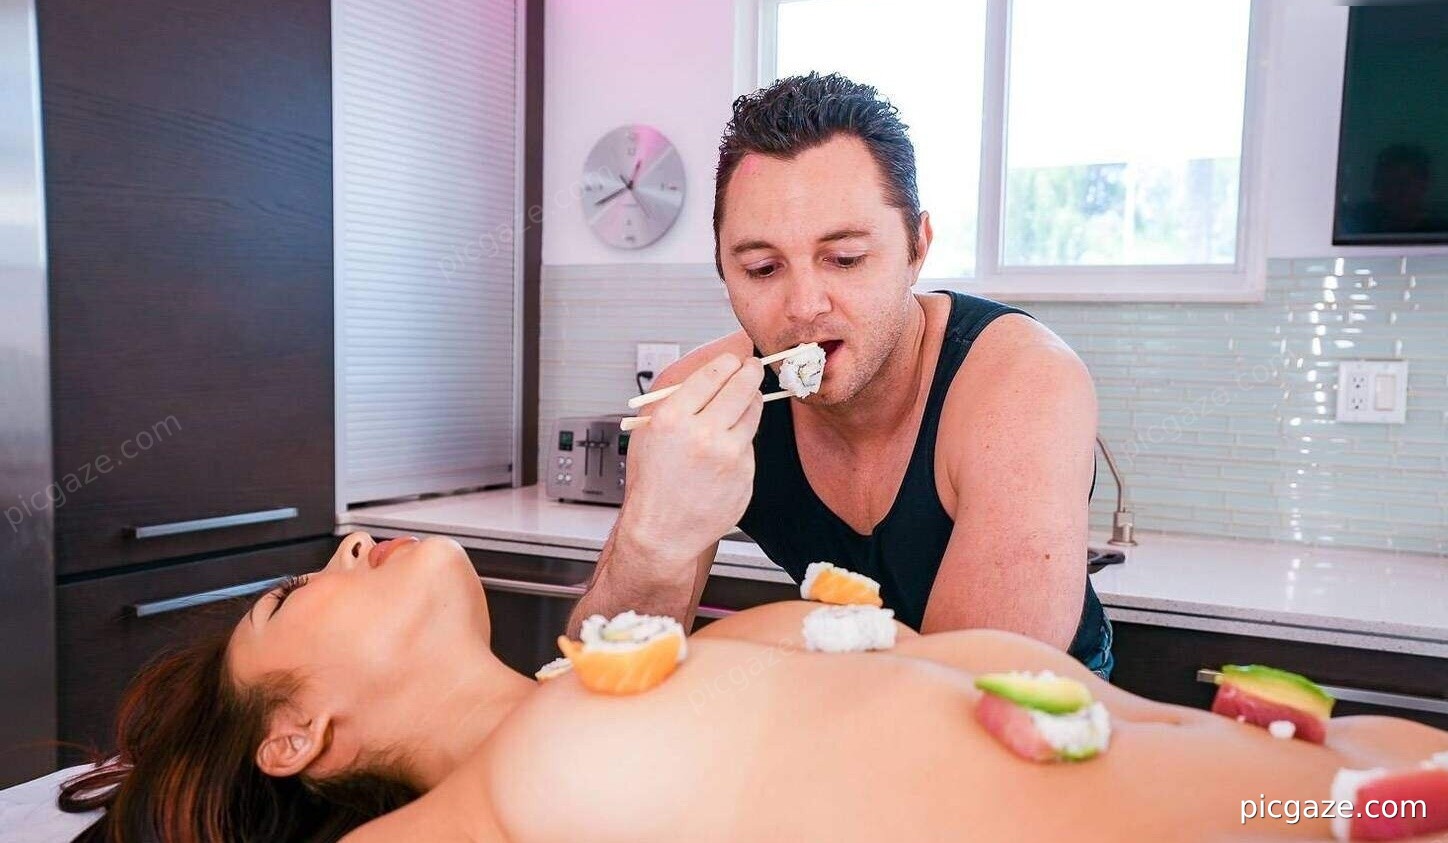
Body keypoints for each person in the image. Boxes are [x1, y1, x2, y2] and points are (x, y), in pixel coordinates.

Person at [58, 533, 1448, 842]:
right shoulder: (480, 806)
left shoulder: (711, 651)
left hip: (1354, 782)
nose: (348, 543)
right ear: (293, 737)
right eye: (297, 593)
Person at [569, 71, 1112, 676]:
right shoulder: (692, 402)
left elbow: (975, 690)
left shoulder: (1023, 386)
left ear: (917, 248)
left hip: (1031, 709)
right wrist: (653, 541)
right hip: (852, 689)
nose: (804, 306)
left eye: (845, 259)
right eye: (762, 268)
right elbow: (596, 675)